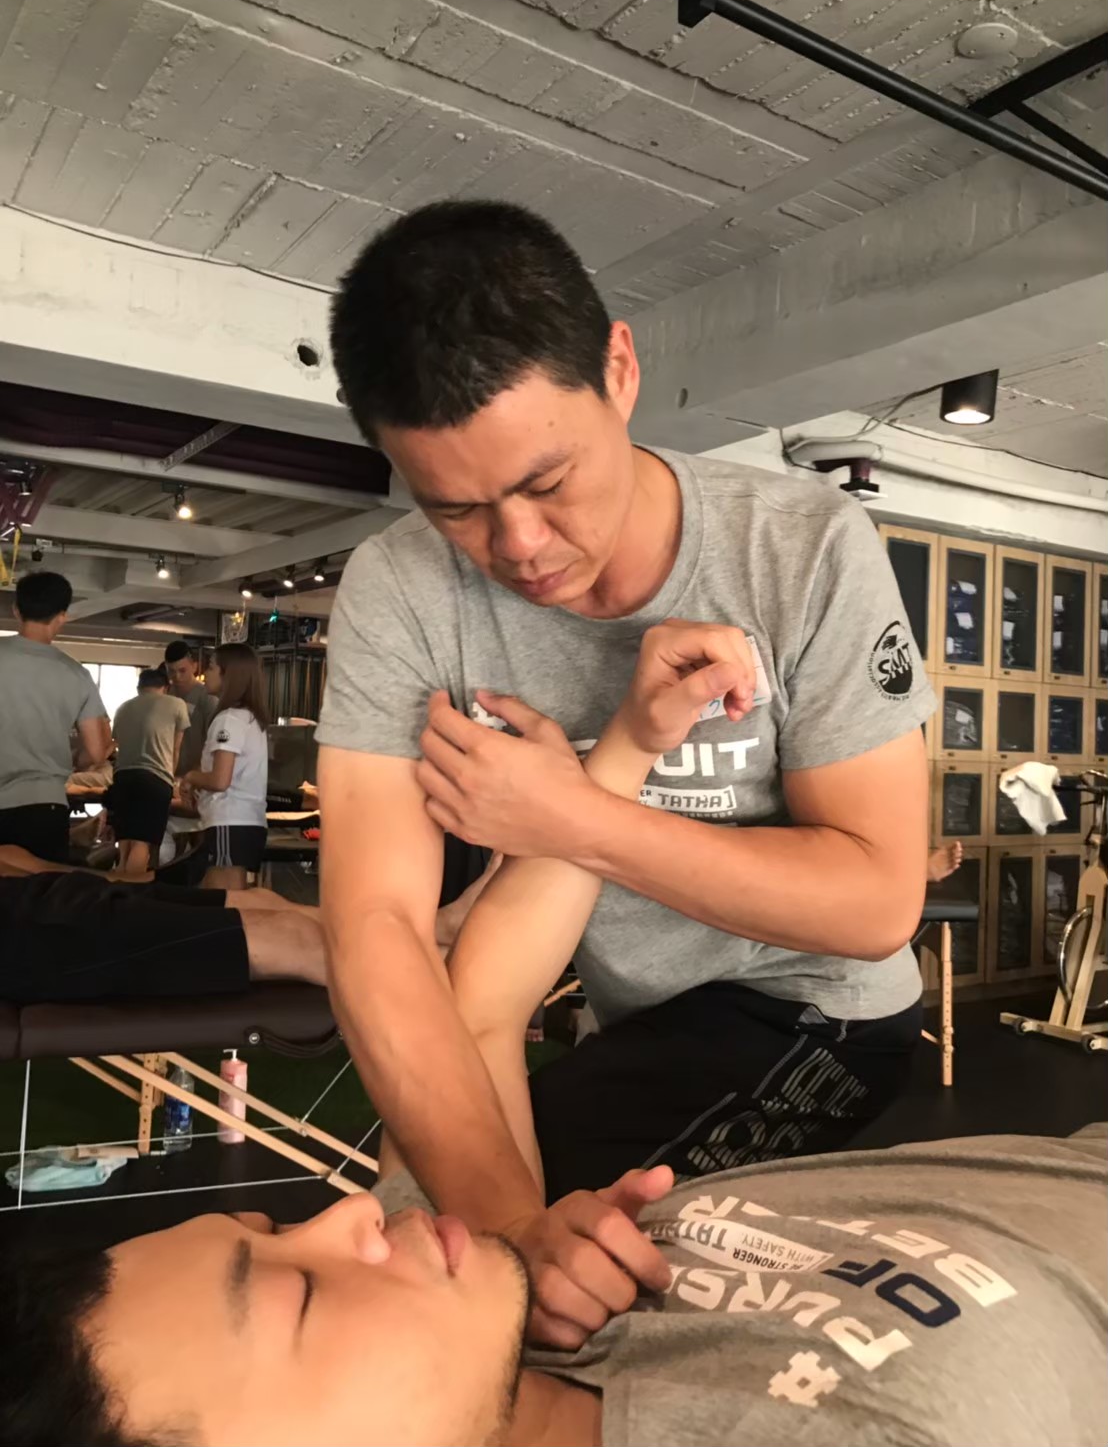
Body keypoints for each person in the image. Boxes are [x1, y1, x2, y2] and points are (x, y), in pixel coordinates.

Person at [314, 200, 936, 1333]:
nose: (518, 547)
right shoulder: (398, 588)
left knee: (538, 1289)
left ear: (619, 369)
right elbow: (378, 930)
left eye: (549, 482)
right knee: (429, 1240)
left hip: (818, 1010)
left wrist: (567, 816)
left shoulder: (800, 547)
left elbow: (876, 902)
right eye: (456, 508)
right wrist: (506, 1232)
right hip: (636, 1019)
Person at [1, 1119, 1105, 1447]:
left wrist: (625, 748)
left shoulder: (513, 1304)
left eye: (279, 1225)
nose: (347, 1216)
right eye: (297, 1296)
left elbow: (477, 992)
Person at [0, 842, 325, 1001]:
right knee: (292, 934)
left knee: (264, 905)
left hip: (41, 899)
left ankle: (141, 880)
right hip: (32, 924)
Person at [0, 572, 111, 863]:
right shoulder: (77, 674)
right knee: (44, 889)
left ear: (16, 610)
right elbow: (96, 752)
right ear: (63, 616)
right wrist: (77, 760)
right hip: (44, 805)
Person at [180, 643, 270, 891]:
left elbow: (220, 780)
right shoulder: (250, 718)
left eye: (210, 667)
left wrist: (191, 777)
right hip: (246, 822)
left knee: (225, 899)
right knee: (222, 895)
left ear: (228, 674)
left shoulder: (229, 718)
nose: (204, 674)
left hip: (230, 821)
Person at [109, 667, 191, 877]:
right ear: (166, 687)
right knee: (142, 842)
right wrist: (172, 781)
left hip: (122, 778)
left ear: (139, 688)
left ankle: (116, 887)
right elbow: (176, 749)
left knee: (125, 843)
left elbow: (117, 743)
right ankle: (130, 891)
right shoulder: (177, 704)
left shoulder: (123, 708)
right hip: (155, 779)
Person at [163, 639, 218, 776]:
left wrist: (197, 773)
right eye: (171, 671)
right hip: (167, 771)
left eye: (182, 670)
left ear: (194, 667)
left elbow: (213, 743)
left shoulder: (207, 698)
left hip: (196, 774)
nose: (177, 676)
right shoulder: (165, 695)